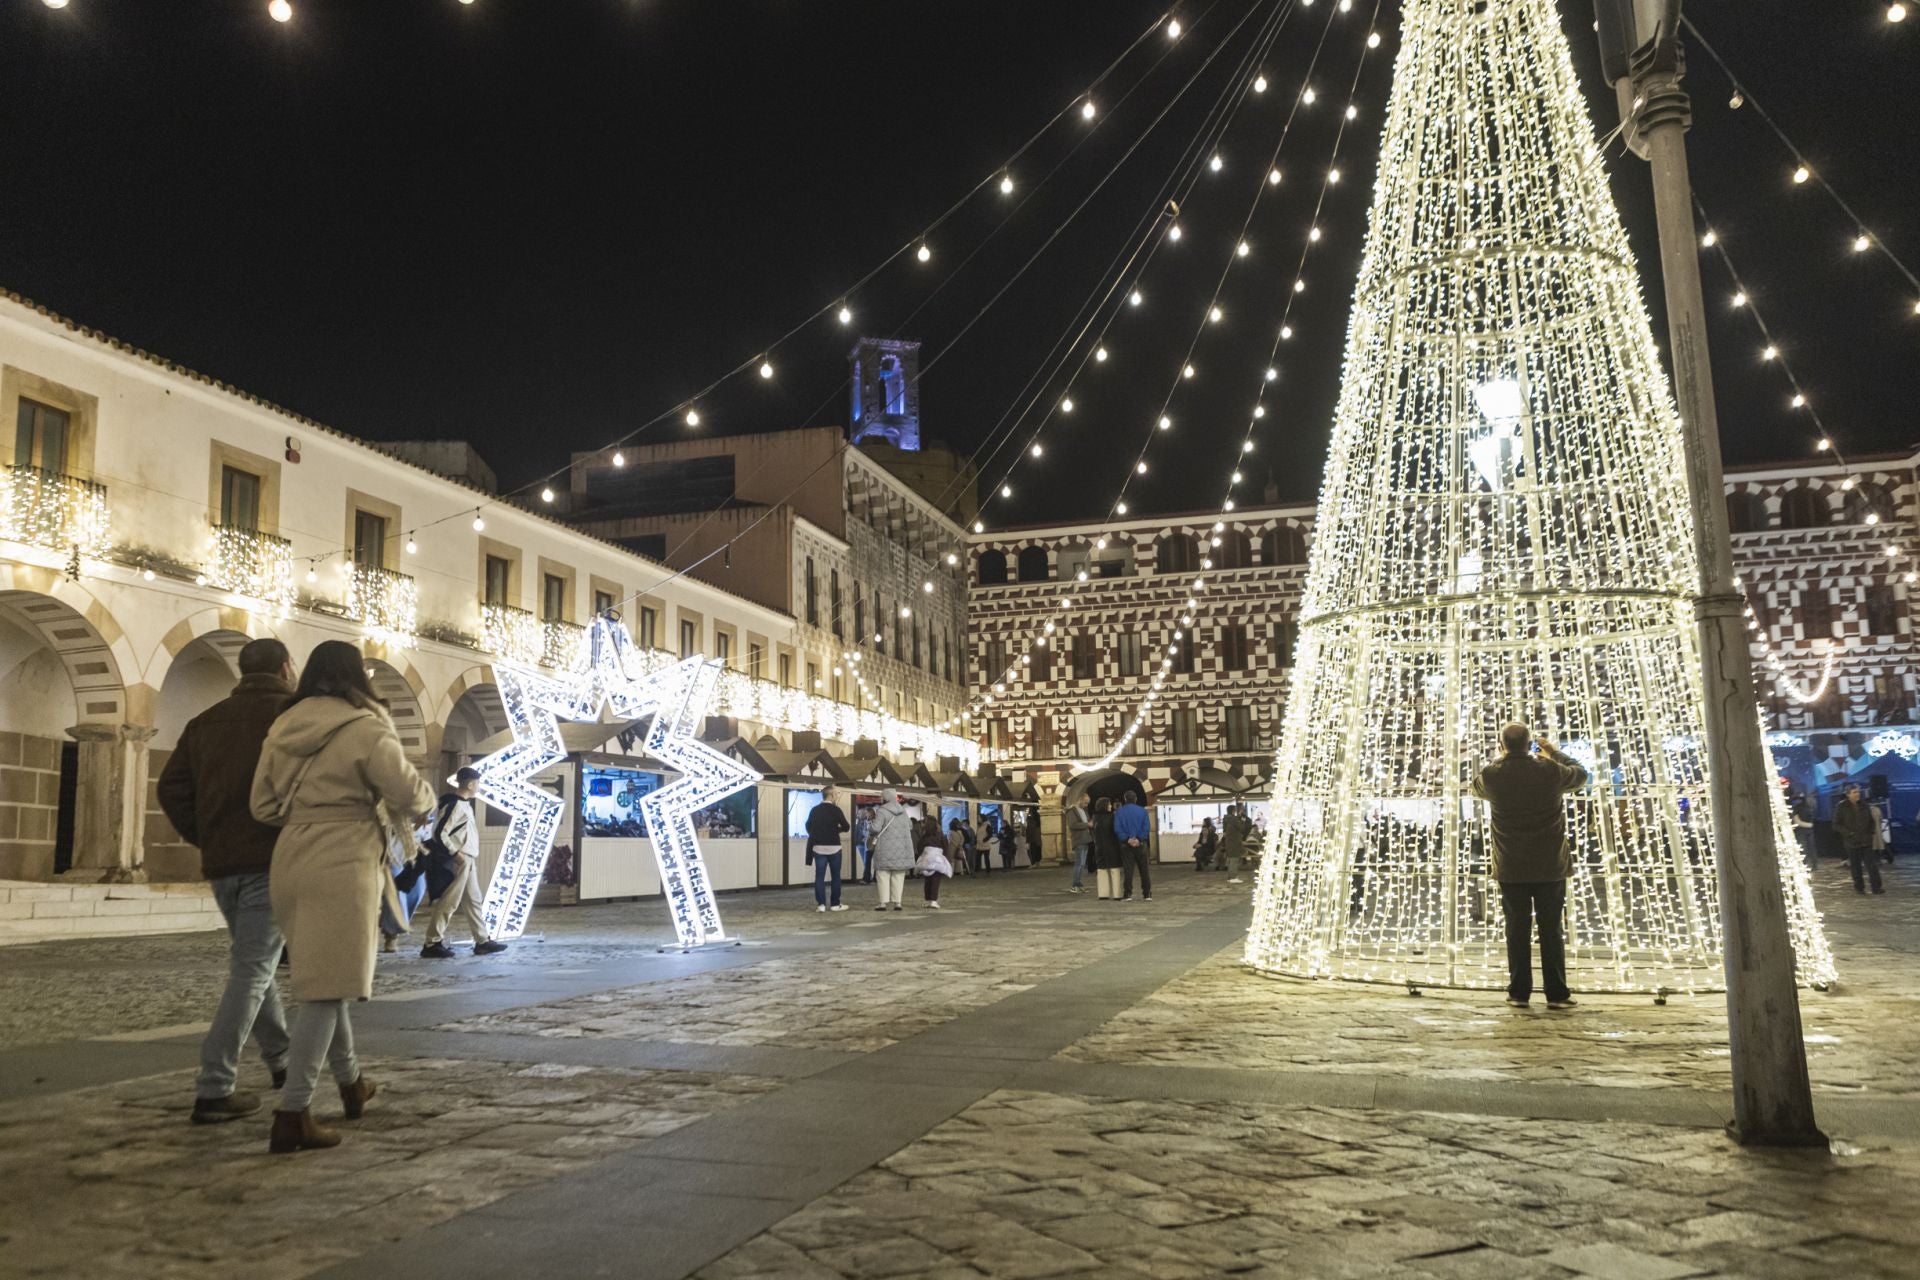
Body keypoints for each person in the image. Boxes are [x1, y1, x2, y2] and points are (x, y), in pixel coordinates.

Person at [251, 640, 434, 1153]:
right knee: (326, 989)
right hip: (345, 859)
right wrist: (417, 803)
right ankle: (293, 1113)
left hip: (291, 857)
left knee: (324, 976)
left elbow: (262, 806)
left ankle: (352, 1083)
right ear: (358, 676)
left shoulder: (282, 727)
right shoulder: (366, 725)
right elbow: (409, 792)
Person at [157, 637, 296, 1125]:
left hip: (223, 864)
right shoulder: (294, 714)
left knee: (252, 966)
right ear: (284, 668)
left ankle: (283, 1062)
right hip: (272, 858)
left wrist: (206, 835)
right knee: (254, 971)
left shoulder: (205, 720)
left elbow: (171, 787)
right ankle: (214, 1086)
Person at [1471, 723, 1589, 1010]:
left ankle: (1519, 991)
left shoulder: (1493, 775)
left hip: (1511, 865)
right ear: (1530, 744)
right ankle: (1557, 993)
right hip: (1550, 864)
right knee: (1551, 929)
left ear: (1502, 745)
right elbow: (1582, 775)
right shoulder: (1549, 771)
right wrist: (1554, 753)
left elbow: (1476, 788)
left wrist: (1501, 760)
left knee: (1516, 929)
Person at [420, 768, 509, 958]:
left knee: (474, 900)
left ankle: (482, 940)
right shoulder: (456, 805)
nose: (478, 787)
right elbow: (440, 832)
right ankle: (432, 942)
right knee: (449, 902)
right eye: (477, 783)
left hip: (466, 859)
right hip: (460, 860)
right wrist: (455, 853)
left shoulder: (461, 804)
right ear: (470, 785)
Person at [806, 787, 852, 912]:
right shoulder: (836, 810)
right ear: (830, 795)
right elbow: (846, 827)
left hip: (818, 847)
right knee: (836, 876)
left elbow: (808, 826)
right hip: (834, 848)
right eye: (836, 793)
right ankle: (835, 904)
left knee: (819, 877)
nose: (837, 796)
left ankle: (821, 905)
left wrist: (818, 833)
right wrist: (836, 830)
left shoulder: (814, 810)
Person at [1833, 782, 1884, 895]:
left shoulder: (1864, 805)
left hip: (1866, 840)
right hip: (1852, 842)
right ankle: (1859, 888)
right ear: (1848, 794)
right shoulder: (1841, 807)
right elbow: (1836, 824)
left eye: (1858, 792)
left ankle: (1876, 887)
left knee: (1872, 866)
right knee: (1856, 867)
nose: (1857, 794)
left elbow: (1871, 821)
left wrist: (1871, 832)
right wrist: (1849, 834)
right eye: (1854, 792)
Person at [870, 794, 916, 911]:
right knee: (898, 875)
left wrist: (871, 825)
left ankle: (883, 903)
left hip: (884, 848)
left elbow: (875, 828)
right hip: (901, 849)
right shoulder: (903, 811)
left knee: (882, 875)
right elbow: (910, 826)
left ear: (885, 798)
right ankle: (897, 903)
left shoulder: (881, 811)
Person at [1115, 791, 1153, 902]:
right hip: (1140, 844)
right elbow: (1146, 827)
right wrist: (1139, 839)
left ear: (1125, 799)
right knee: (1144, 869)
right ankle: (1147, 894)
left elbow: (1117, 828)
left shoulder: (1119, 812)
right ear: (1135, 799)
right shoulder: (1142, 811)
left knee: (1128, 869)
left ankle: (1127, 894)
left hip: (1126, 844)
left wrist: (1127, 839)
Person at [1090, 797, 1123, 900]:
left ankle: (1103, 894)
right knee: (1115, 870)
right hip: (1112, 847)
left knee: (1102, 871)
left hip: (1099, 847)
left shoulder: (1094, 817)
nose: (1110, 806)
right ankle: (1117, 894)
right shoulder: (1112, 817)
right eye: (1109, 804)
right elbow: (1116, 832)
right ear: (1105, 806)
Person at [917, 822, 953, 908]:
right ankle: (933, 900)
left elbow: (919, 847)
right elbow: (946, 847)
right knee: (935, 880)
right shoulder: (940, 836)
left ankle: (927, 900)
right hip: (937, 860)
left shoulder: (924, 836)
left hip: (926, 860)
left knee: (927, 881)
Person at [1066, 799, 1093, 893]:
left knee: (1082, 864)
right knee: (1079, 864)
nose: (1086, 805)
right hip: (1079, 840)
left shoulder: (1083, 811)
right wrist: (1087, 824)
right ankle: (1075, 885)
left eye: (1087, 803)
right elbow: (1072, 825)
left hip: (1085, 839)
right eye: (1085, 802)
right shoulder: (1072, 811)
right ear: (1079, 800)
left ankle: (1079, 884)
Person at [1219, 804, 1252, 882]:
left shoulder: (1226, 818)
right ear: (1234, 810)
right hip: (1234, 841)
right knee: (1234, 859)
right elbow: (1241, 828)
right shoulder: (1233, 819)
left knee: (1231, 859)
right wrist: (1243, 821)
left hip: (1229, 841)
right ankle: (1233, 877)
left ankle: (1230, 877)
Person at [853, 805, 874, 884]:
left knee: (866, 861)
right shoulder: (858, 821)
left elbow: (866, 832)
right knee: (865, 862)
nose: (858, 814)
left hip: (866, 844)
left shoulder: (867, 822)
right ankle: (869, 876)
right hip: (859, 843)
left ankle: (868, 877)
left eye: (860, 813)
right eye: (858, 813)